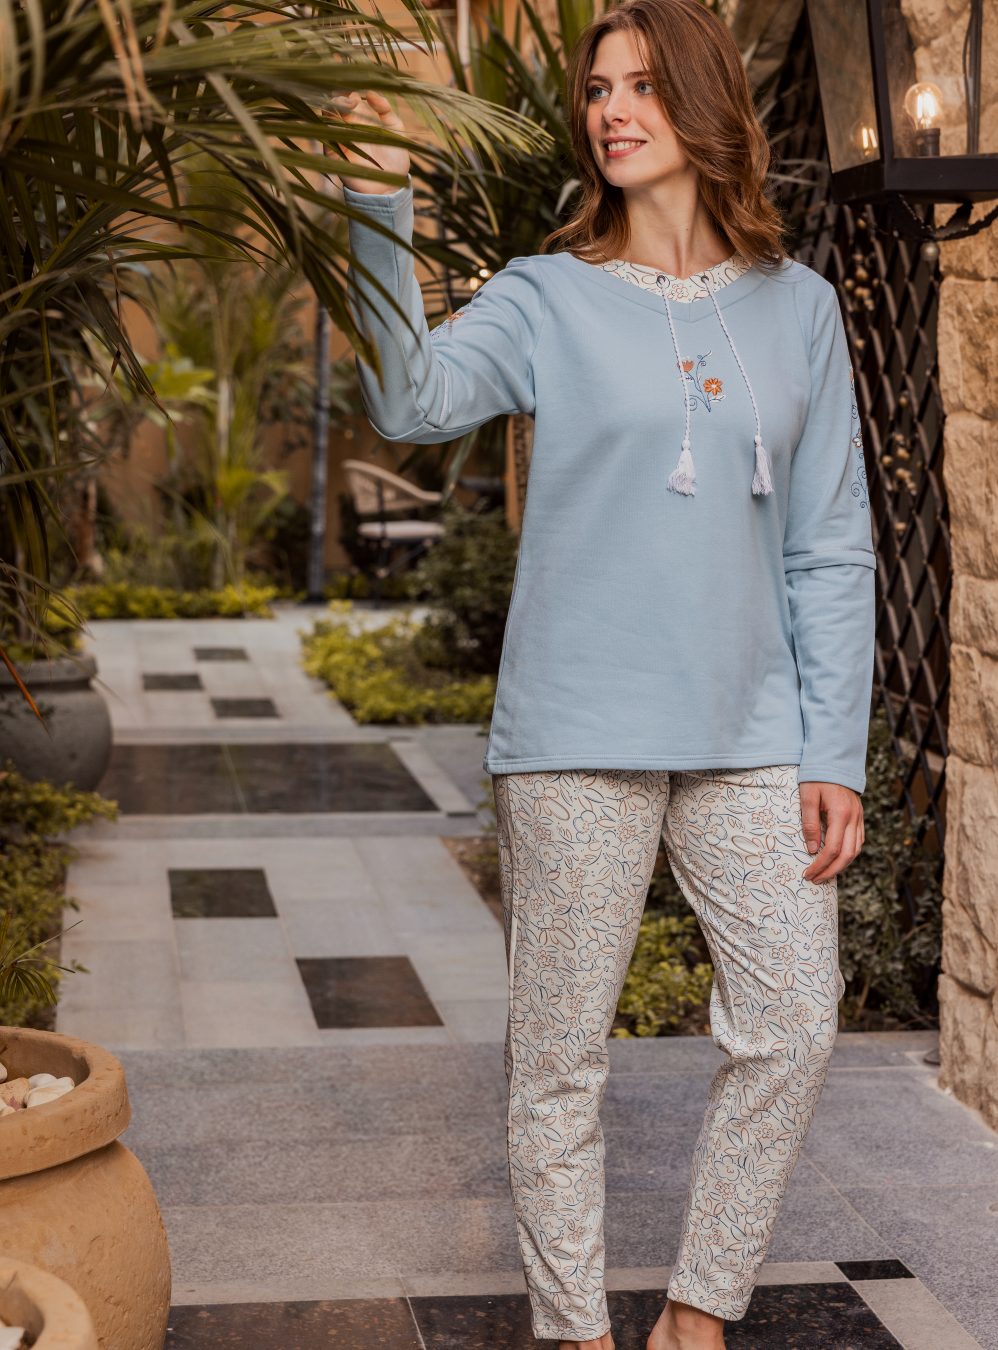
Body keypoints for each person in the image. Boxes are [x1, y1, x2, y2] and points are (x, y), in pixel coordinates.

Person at [331, 0, 873, 1345]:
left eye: (643, 85)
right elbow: (410, 400)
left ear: (706, 103)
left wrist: (833, 750)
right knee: (560, 1060)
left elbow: (831, 545)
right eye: (597, 90)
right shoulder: (546, 294)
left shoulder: (801, 309)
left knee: (795, 1021)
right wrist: (376, 205)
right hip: (574, 733)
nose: (614, 110)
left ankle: (697, 1315)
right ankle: (575, 1330)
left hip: (752, 734)